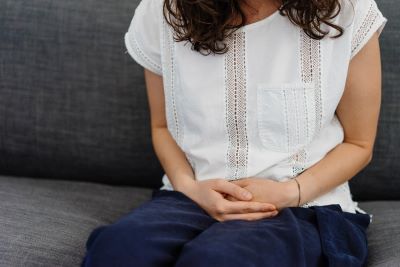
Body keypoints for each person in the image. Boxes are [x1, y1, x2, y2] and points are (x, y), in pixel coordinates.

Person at [81, 0, 388, 265]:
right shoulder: (164, 10)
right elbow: (162, 127)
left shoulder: (348, 10)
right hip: (191, 196)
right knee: (118, 251)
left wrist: (289, 192)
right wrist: (189, 187)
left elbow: (359, 144)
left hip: (305, 206)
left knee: (220, 259)